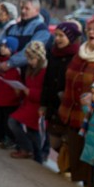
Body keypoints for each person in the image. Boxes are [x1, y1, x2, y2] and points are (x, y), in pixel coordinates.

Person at [58, 15, 94, 187]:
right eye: (89, 28)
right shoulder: (81, 52)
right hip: (73, 110)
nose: (91, 32)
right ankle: (87, 185)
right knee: (79, 149)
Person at [40, 22, 82, 162]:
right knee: (54, 141)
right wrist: (43, 104)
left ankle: (67, 167)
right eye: (56, 35)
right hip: (53, 104)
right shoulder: (52, 53)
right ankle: (66, 162)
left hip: (69, 105)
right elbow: (46, 80)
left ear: (70, 37)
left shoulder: (79, 56)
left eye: (61, 36)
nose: (57, 38)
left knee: (70, 141)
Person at [7, 41, 48, 162]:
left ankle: (34, 154)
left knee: (34, 132)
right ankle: (29, 149)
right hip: (28, 103)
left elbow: (45, 92)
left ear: (39, 57)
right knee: (16, 123)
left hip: (38, 106)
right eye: (28, 58)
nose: (30, 61)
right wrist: (21, 91)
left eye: (32, 58)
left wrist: (29, 92)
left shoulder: (45, 71)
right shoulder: (30, 69)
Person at [0, 0, 51, 72]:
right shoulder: (12, 28)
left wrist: (10, 63)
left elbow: (30, 52)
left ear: (36, 10)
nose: (23, 11)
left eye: (27, 8)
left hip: (28, 73)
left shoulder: (41, 29)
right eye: (21, 8)